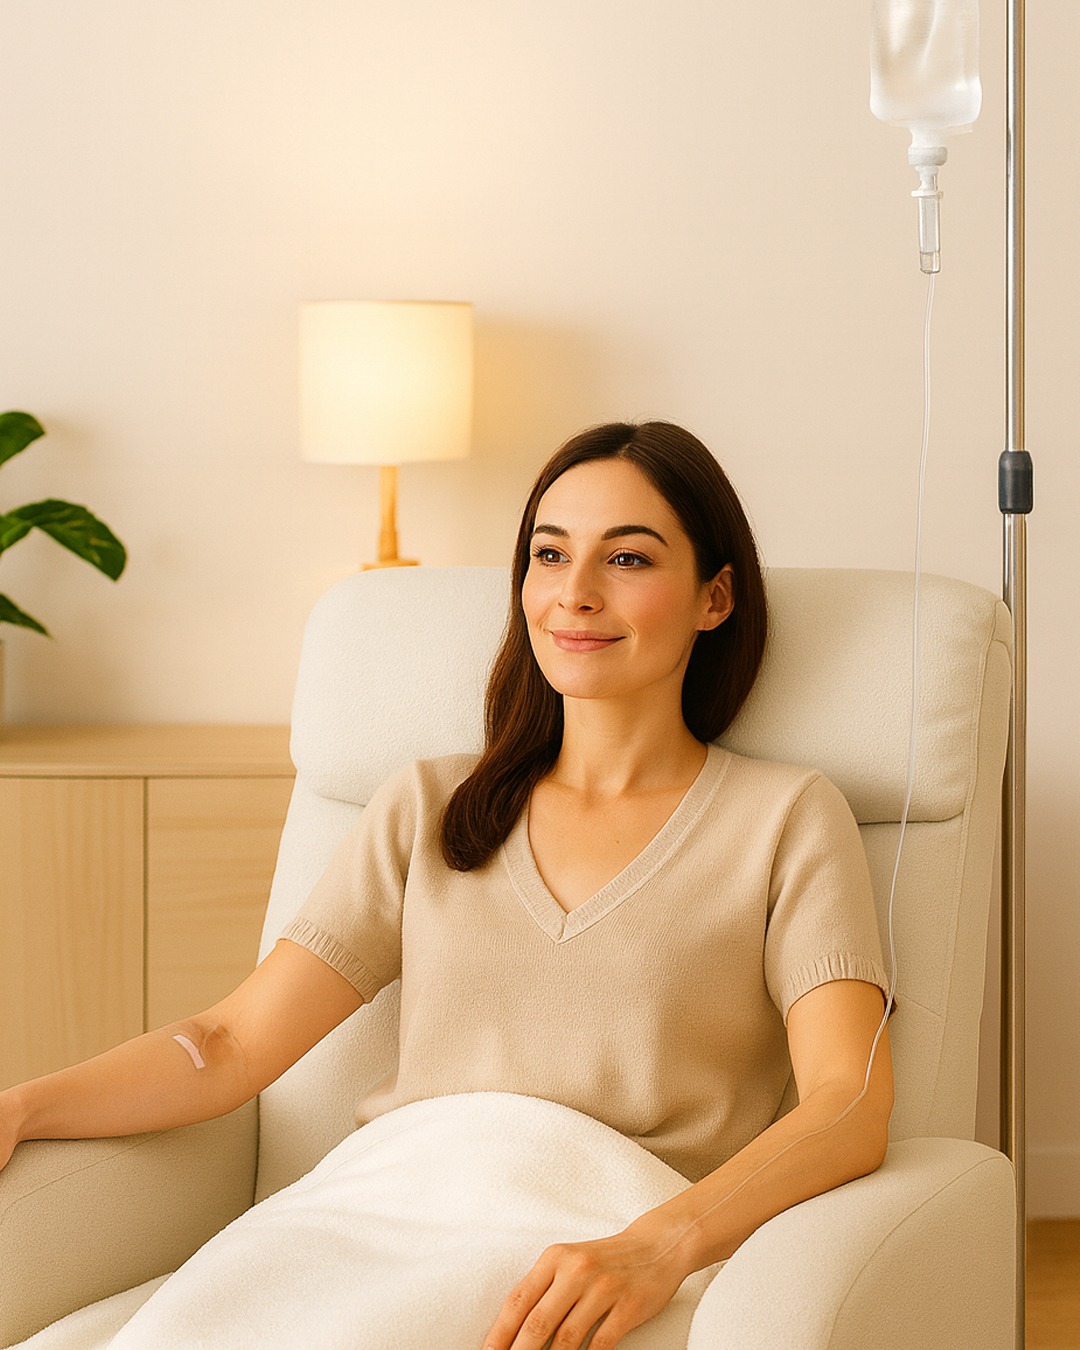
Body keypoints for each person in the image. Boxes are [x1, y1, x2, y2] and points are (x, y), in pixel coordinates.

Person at [0, 422, 893, 1350]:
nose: (576, 594)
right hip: (366, 1212)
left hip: (589, 1238)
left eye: (627, 558)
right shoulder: (429, 806)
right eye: (549, 555)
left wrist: (660, 1245)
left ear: (715, 597)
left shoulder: (784, 818)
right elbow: (227, 1044)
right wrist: (23, 1106)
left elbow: (850, 1101)